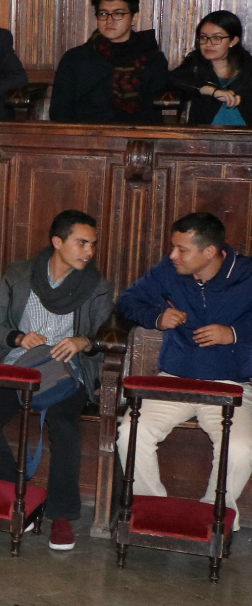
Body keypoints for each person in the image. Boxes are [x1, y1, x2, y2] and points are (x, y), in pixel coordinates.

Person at [0, 210, 112, 552]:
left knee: (64, 426)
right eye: (81, 243)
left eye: (92, 244)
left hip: (65, 370)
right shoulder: (18, 275)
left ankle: (61, 516)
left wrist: (84, 342)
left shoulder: (97, 287)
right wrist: (19, 338)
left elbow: (106, 339)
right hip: (20, 365)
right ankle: (20, 497)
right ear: (57, 242)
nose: (89, 252)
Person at [114, 212, 252, 531]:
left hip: (231, 384)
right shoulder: (169, 270)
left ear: (210, 251)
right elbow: (128, 301)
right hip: (175, 379)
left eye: (182, 249)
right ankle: (151, 508)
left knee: (242, 447)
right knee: (131, 433)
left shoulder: (246, 274)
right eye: (173, 248)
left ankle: (214, 517)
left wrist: (234, 333)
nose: (173, 255)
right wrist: (157, 317)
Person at [51, 0, 170, 124]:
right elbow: (59, 111)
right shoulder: (75, 58)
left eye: (118, 14)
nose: (109, 20)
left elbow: (152, 115)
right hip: (84, 138)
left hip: (134, 138)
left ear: (134, 18)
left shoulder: (152, 59)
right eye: (103, 14)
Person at [170, 10, 252, 126]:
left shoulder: (247, 67)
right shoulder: (195, 64)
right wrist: (209, 90)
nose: (208, 44)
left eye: (217, 38)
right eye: (204, 37)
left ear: (233, 41)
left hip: (245, 138)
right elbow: (171, 80)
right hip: (203, 138)